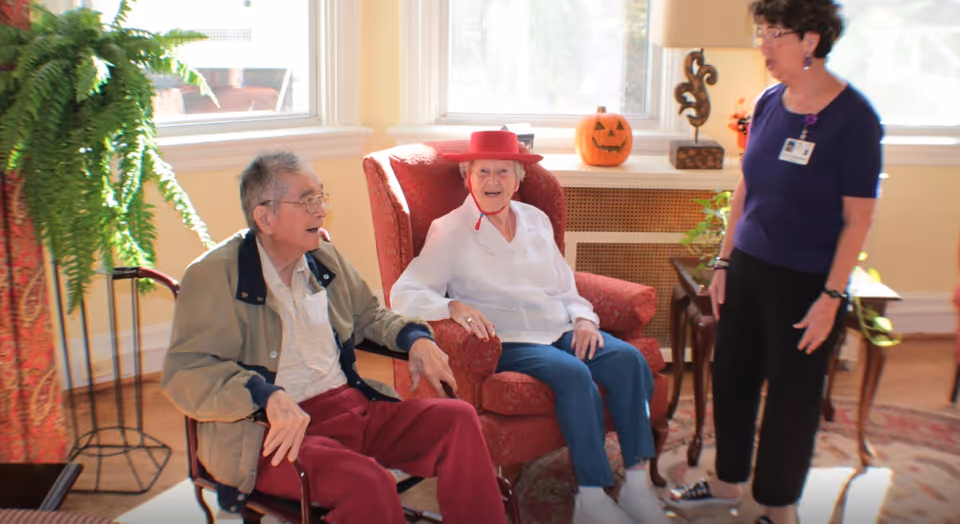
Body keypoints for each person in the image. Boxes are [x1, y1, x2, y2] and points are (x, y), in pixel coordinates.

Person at [161, 152, 506, 524]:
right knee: (369, 484)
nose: (321, 211)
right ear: (265, 216)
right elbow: (186, 373)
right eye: (308, 201)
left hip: (350, 409)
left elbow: (369, 315)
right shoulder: (213, 275)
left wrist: (414, 337)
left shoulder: (323, 256)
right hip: (270, 436)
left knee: (457, 418)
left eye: (321, 197)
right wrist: (261, 394)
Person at [666, 0, 883, 524]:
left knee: (792, 399)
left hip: (808, 282)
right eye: (761, 32)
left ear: (811, 39)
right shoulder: (768, 102)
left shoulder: (856, 120)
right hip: (750, 270)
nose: (762, 45)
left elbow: (859, 219)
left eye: (773, 34)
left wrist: (832, 297)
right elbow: (746, 188)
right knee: (733, 381)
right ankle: (723, 484)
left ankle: (779, 508)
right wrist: (723, 261)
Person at [390, 130, 669, 524]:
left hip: (558, 326)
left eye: (503, 171)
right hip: (507, 338)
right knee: (573, 375)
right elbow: (404, 294)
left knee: (628, 360)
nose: (492, 181)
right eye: (482, 171)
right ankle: (591, 499)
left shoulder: (535, 220)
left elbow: (564, 285)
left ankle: (638, 486)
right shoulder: (449, 230)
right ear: (466, 176)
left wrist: (585, 320)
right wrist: (450, 306)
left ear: (518, 178)